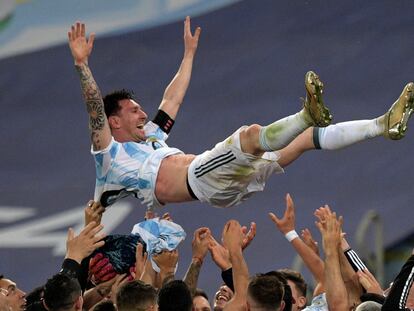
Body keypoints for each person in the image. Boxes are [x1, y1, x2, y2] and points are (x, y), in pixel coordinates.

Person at [68, 19, 414, 209]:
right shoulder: (108, 155)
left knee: (303, 141)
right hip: (201, 180)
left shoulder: (153, 138)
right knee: (250, 134)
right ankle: (308, 113)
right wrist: (82, 64)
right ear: (114, 122)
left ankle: (382, 125)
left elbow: (171, 98)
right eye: (132, 110)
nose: (143, 112)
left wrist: (188, 55)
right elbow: (94, 108)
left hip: (222, 182)